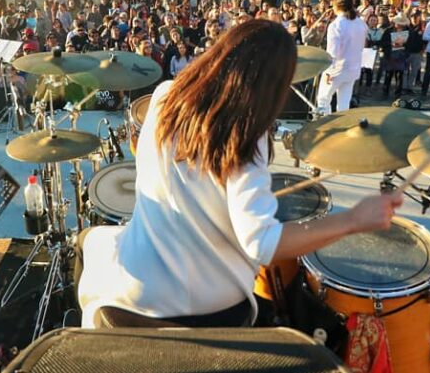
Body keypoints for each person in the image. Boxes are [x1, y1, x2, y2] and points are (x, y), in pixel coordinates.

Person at [75, 19, 402, 327]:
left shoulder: (163, 98)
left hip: (139, 286)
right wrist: (353, 220)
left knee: (89, 240)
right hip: (211, 304)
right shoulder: (246, 140)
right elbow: (262, 243)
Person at [316, 0, 367, 114]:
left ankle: (325, 127)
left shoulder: (336, 25)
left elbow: (333, 52)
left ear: (336, 5)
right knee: (344, 103)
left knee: (323, 100)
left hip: (337, 69)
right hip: (353, 68)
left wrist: (328, 71)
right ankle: (342, 129)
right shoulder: (361, 23)